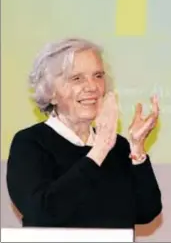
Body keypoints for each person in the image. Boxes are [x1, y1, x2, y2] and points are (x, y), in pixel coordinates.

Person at [6, 38, 162, 229]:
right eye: (77, 78)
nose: (92, 87)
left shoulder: (118, 146)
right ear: (50, 92)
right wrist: (98, 152)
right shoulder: (30, 143)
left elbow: (147, 211)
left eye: (98, 76)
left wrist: (137, 149)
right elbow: (43, 211)